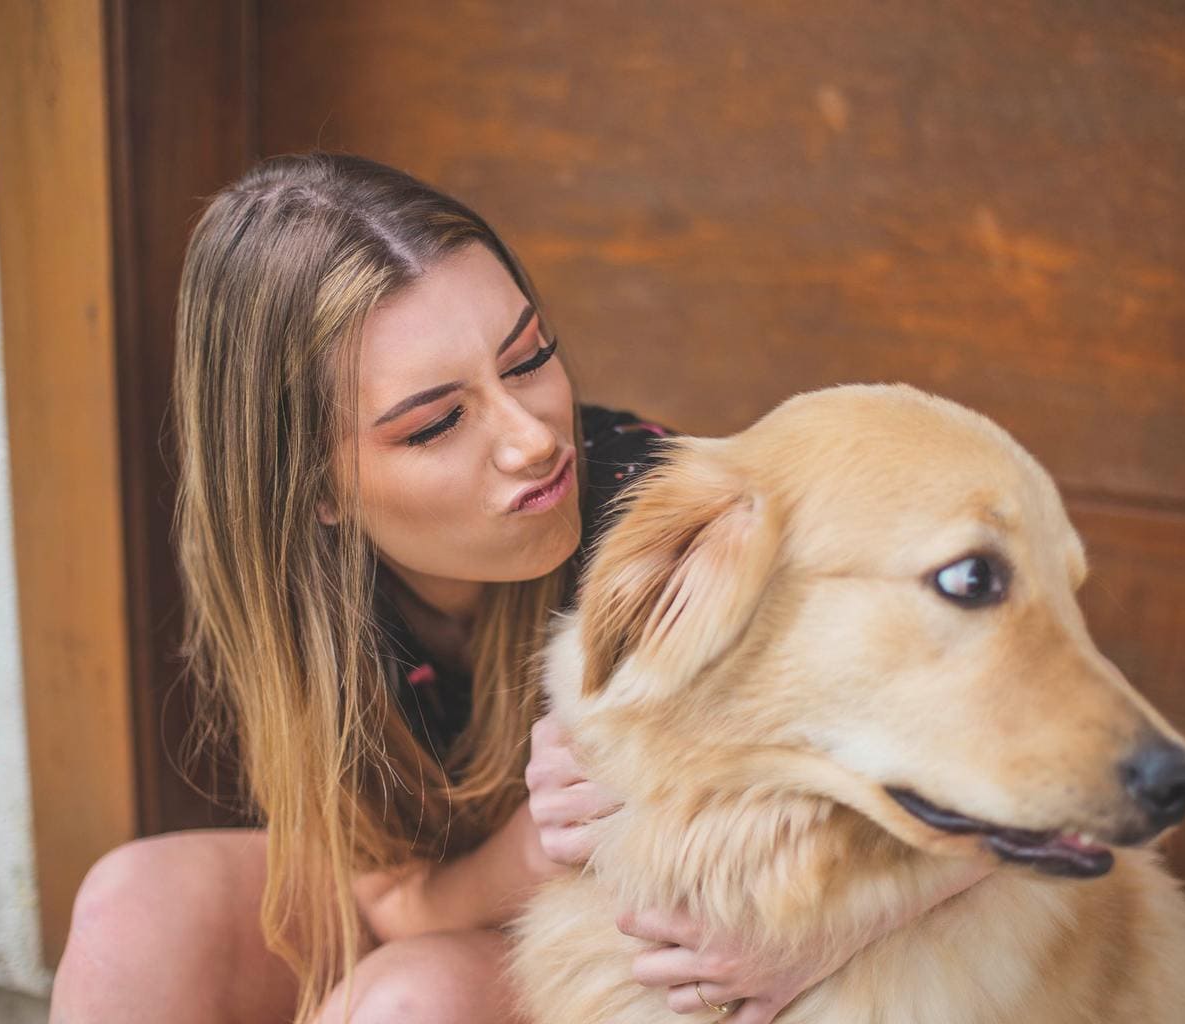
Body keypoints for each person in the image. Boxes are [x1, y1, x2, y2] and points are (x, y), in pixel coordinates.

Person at [48, 153, 990, 1024]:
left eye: (530, 358)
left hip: (631, 948)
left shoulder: (670, 523)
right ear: (316, 490)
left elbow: (1015, 776)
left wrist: (819, 938)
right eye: (434, 424)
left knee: (405, 1004)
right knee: (133, 908)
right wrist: (528, 847)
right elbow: (384, 893)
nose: (536, 437)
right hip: (455, 897)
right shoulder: (308, 597)